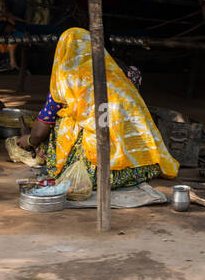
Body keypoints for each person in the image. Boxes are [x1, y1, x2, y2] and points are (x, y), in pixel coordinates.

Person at [17, 28, 178, 189]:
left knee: (62, 121)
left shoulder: (64, 81)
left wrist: (30, 141)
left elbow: (40, 131)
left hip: (96, 167)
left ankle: (81, 166)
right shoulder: (117, 73)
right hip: (141, 159)